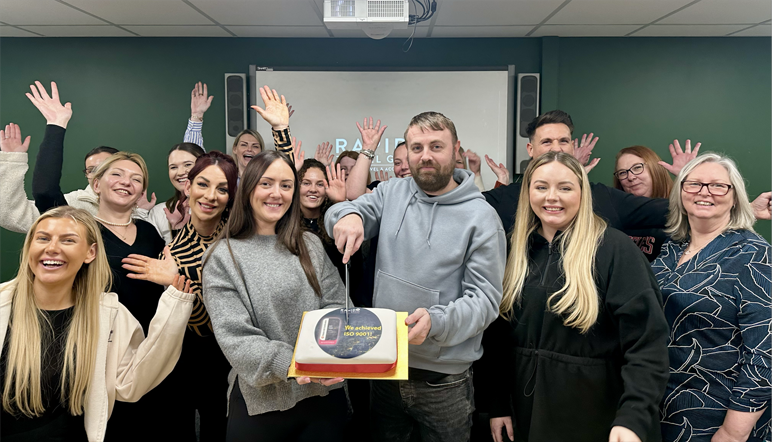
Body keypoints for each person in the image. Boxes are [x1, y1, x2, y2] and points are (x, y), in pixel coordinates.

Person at [326, 111, 506, 442]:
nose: (425, 156)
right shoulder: (391, 192)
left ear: (456, 150)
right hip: (386, 369)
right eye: (416, 147)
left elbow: (485, 301)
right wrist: (349, 214)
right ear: (406, 152)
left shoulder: (482, 218)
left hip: (444, 381)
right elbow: (340, 211)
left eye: (436, 146)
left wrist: (437, 322)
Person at [476, 152, 669, 442]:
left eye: (565, 188)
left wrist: (633, 418)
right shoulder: (512, 250)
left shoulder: (614, 250)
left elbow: (646, 343)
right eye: (541, 187)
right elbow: (496, 338)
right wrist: (497, 405)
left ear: (582, 192)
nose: (551, 197)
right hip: (524, 418)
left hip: (598, 419)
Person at [0, 206, 195, 442]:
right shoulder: (3, 306)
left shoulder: (109, 315)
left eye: (68, 240)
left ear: (90, 253)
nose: (52, 248)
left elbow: (130, 385)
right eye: (42, 238)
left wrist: (174, 302)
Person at [202, 151, 349, 442]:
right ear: (248, 189)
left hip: (324, 395)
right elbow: (237, 340)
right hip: (262, 405)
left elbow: (337, 306)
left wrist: (337, 353)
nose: (276, 194)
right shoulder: (222, 257)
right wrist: (298, 364)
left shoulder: (310, 245)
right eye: (266, 183)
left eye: (286, 185)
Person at [120, 151, 239, 441]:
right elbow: (196, 322)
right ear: (188, 187)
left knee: (219, 427)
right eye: (202, 184)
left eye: (222, 188)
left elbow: (221, 318)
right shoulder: (172, 248)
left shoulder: (238, 241)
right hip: (180, 352)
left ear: (231, 196)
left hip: (227, 353)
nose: (211, 196)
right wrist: (178, 282)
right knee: (177, 427)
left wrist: (177, 282)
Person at [652, 153, 771, 442]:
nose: (704, 192)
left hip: (717, 416)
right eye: (694, 184)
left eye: (718, 186)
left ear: (735, 197)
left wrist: (732, 432)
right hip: (661, 408)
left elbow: (766, 353)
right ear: (681, 193)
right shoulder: (671, 248)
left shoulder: (754, 254)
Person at [483, 110, 690, 243]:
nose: (557, 148)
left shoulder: (603, 197)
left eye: (564, 141)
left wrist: (689, 178)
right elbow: (456, 207)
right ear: (531, 148)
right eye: (546, 142)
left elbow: (675, 209)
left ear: (572, 147)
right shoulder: (504, 198)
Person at [0, 121, 118, 233]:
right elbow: (11, 214)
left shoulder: (136, 207)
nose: (99, 173)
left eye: (105, 166)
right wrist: (12, 161)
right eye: (92, 170)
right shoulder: (75, 205)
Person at [612, 145, 679, 261]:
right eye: (622, 173)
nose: (631, 177)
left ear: (654, 168)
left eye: (637, 168)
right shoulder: (616, 217)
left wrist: (689, 178)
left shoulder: (682, 208)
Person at [135, 142, 205, 243]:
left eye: (188, 165)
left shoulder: (217, 207)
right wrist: (140, 213)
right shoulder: (161, 212)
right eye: (173, 167)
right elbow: (142, 250)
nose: (180, 172)